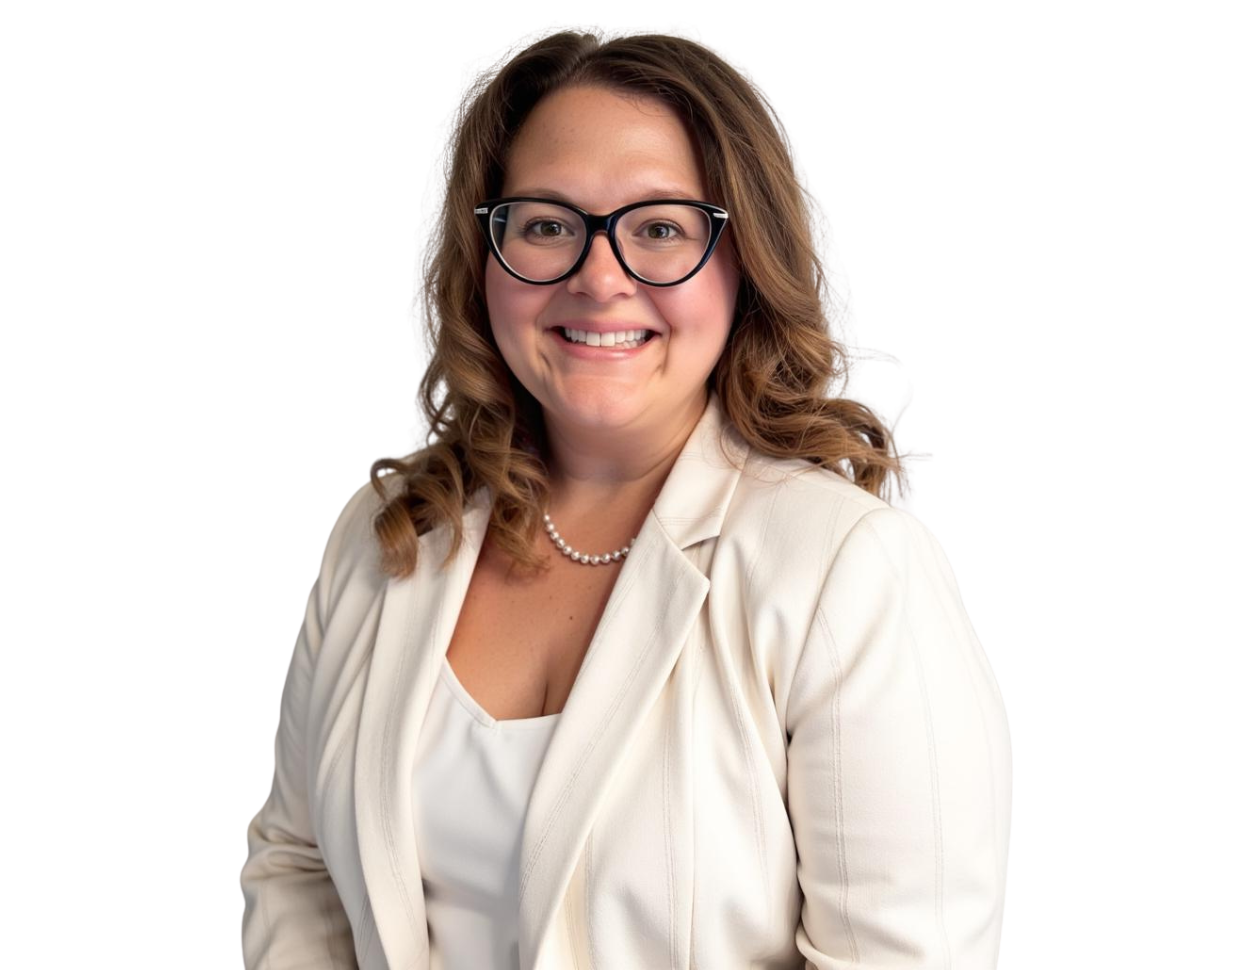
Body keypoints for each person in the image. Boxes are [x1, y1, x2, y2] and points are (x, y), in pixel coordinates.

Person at [239, 23, 1013, 970]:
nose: (598, 278)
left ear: (745, 264)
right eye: (547, 224)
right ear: (487, 258)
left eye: (660, 228)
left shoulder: (851, 572)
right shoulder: (384, 534)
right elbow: (299, 865)